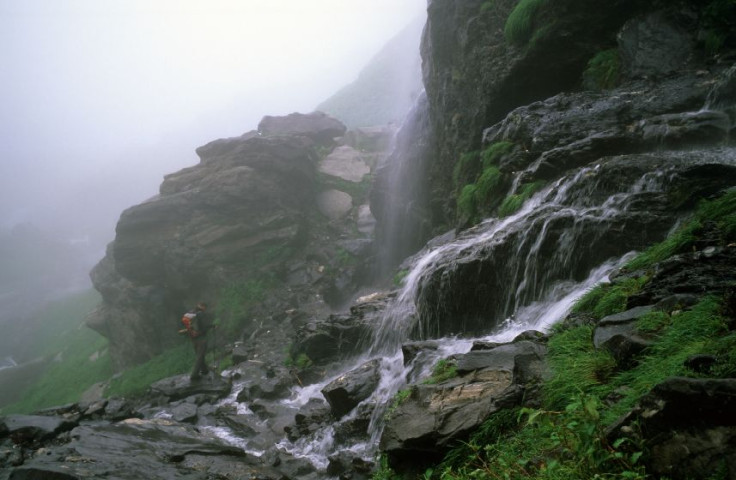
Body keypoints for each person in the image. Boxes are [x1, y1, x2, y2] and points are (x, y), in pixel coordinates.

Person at [188, 302, 214, 381]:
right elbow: (204, 326)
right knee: (200, 355)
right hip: (200, 337)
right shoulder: (200, 313)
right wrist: (212, 326)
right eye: (204, 307)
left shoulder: (190, 313)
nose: (205, 309)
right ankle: (194, 374)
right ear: (202, 306)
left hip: (192, 338)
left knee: (199, 354)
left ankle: (204, 370)